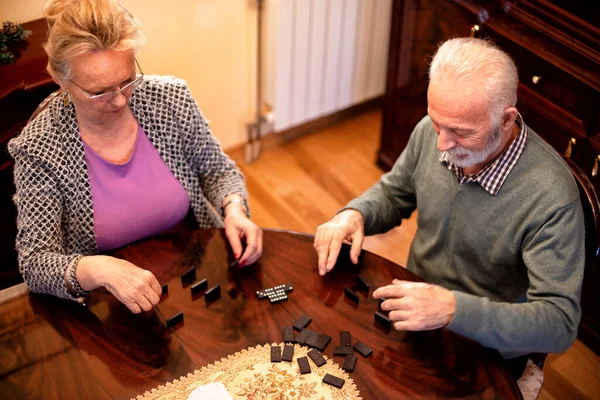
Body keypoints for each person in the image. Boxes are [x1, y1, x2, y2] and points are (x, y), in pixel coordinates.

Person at [313, 37, 584, 378]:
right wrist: (355, 214)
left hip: (484, 348)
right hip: (412, 310)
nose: (441, 144)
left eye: (460, 132)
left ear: (506, 119)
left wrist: (453, 309)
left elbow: (558, 324)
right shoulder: (432, 131)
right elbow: (395, 193)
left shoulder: (551, 196)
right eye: (437, 122)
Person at [8, 0, 262, 314]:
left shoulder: (170, 98)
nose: (118, 101)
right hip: (111, 305)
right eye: (99, 92)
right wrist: (98, 269)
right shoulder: (40, 147)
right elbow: (34, 263)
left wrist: (234, 209)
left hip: (199, 272)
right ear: (61, 80)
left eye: (127, 80)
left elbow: (216, 170)